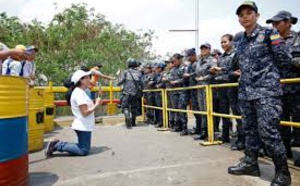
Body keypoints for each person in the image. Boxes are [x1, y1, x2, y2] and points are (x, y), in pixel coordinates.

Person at [228, 2, 292, 186]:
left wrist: (271, 78)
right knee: (249, 131)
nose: (245, 17)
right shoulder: (240, 40)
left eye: (249, 13)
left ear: (257, 15)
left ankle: (283, 173)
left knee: (269, 133)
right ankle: (250, 163)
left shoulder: (268, 34)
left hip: (266, 92)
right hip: (246, 93)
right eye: (241, 15)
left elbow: (284, 58)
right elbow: (237, 65)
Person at [266, 10, 300, 164]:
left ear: (288, 22)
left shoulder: (298, 38)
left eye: (277, 23)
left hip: (296, 89)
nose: (274, 26)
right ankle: (285, 152)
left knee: (298, 122)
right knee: (281, 122)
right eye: (272, 23)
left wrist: (289, 60)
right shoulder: (273, 41)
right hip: (278, 89)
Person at [45, 70, 102, 158]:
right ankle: (57, 145)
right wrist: (97, 104)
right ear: (81, 80)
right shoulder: (79, 94)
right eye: (87, 78)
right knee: (83, 150)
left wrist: (97, 100)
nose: (89, 79)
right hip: (83, 125)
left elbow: (87, 107)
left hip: (85, 125)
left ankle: (58, 145)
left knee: (84, 148)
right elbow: (85, 113)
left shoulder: (81, 91)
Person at [210, 34, 244, 148]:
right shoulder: (221, 57)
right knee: (223, 112)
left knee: (237, 113)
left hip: (233, 87)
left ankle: (241, 139)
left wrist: (222, 71)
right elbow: (223, 73)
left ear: (232, 42)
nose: (223, 44)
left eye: (225, 42)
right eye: (221, 42)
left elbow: (237, 71)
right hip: (222, 88)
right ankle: (225, 136)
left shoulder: (236, 54)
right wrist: (216, 72)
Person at [117, 58, 144, 129]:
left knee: (125, 106)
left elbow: (119, 82)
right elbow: (142, 84)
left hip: (127, 93)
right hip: (136, 93)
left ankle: (127, 117)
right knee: (134, 107)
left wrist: (118, 77)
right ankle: (133, 122)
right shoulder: (139, 73)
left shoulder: (125, 72)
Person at [184, 48, 202, 137]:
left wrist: (189, 75)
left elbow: (198, 73)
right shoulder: (190, 65)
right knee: (195, 110)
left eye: (189, 57)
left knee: (199, 110)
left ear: (194, 55)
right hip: (192, 89)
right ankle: (198, 128)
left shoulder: (197, 63)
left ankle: (201, 129)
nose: (188, 59)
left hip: (198, 89)